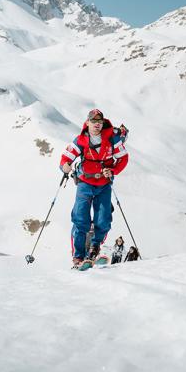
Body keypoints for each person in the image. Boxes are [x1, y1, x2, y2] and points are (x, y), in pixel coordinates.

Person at [60, 109, 129, 268]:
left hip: (104, 184)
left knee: (103, 219)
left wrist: (113, 171)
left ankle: (93, 251)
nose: (97, 124)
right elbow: (67, 156)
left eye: (99, 121)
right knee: (80, 219)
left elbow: (123, 158)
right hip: (85, 183)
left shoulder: (112, 138)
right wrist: (64, 165)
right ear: (88, 122)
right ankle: (78, 257)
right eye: (93, 121)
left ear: (102, 122)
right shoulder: (81, 140)